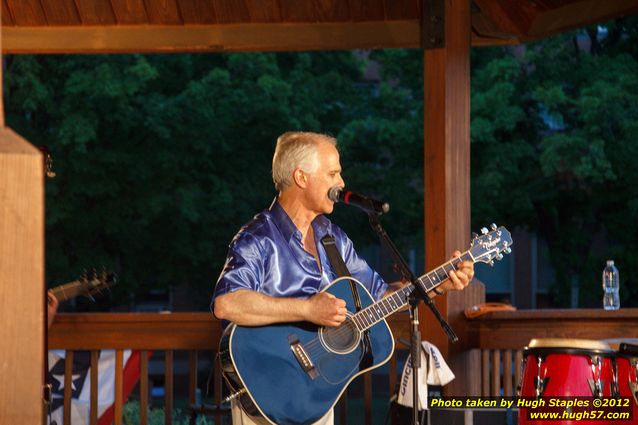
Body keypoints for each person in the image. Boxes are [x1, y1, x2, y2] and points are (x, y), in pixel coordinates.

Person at [212, 131, 474, 425]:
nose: (342, 183)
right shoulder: (257, 238)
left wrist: (437, 285)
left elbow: (377, 297)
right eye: (333, 173)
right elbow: (227, 304)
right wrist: (308, 309)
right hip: (266, 388)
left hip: (318, 391)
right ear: (301, 177)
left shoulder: (332, 238)